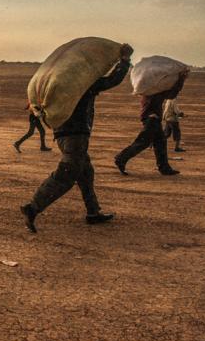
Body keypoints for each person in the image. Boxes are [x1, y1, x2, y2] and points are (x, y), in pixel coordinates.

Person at [21, 44, 132, 233]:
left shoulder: (64, 86)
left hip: (62, 133)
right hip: (76, 135)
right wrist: (124, 61)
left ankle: (93, 212)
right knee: (67, 173)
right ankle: (33, 207)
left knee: (86, 173)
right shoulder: (82, 85)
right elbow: (111, 81)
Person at [114, 69, 189, 176]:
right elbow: (171, 94)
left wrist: (181, 80)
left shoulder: (150, 89)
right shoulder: (153, 90)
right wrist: (181, 79)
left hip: (154, 118)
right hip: (151, 119)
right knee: (143, 142)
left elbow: (170, 94)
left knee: (160, 142)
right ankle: (121, 158)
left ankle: (164, 168)